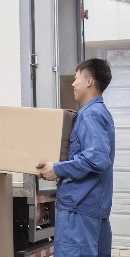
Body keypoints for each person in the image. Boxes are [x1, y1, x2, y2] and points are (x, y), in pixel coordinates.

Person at [37, 58, 115, 256]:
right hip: (93, 209)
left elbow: (96, 159)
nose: (73, 83)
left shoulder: (90, 115)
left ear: (89, 81)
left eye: (76, 77)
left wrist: (57, 168)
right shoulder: (101, 113)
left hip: (79, 211)